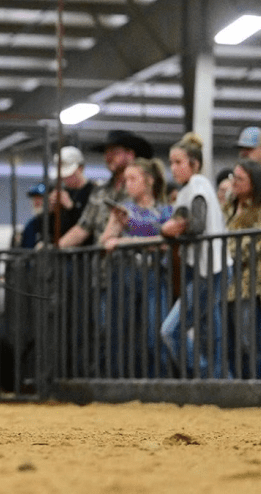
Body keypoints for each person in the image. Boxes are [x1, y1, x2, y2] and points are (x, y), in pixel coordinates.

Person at [158, 133, 228, 378]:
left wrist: (172, 228)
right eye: (171, 162)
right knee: (212, 331)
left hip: (208, 268)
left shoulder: (197, 184)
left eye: (179, 162)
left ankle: (205, 373)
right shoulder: (193, 187)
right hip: (207, 266)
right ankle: (219, 380)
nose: (173, 168)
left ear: (194, 164)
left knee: (171, 330)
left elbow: (196, 225)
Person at [100, 157, 173, 377]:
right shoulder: (123, 211)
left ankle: (159, 383)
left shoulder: (165, 211)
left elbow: (165, 244)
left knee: (155, 334)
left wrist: (125, 242)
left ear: (149, 181)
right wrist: (119, 229)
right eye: (126, 180)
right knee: (121, 333)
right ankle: (122, 383)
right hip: (125, 274)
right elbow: (106, 241)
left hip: (155, 275)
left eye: (133, 179)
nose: (128, 184)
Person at [58, 131, 154, 248]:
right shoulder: (99, 192)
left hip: (133, 258)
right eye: (106, 152)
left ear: (130, 154)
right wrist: (56, 247)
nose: (108, 157)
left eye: (114, 152)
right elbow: (83, 228)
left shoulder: (145, 188)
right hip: (103, 262)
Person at [222, 160, 261, 379]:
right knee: (229, 344)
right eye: (233, 177)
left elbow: (251, 246)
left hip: (250, 287)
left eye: (240, 179)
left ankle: (258, 389)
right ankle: (237, 390)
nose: (234, 183)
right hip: (226, 286)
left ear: (254, 183)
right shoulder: (228, 207)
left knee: (250, 342)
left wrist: (222, 252)